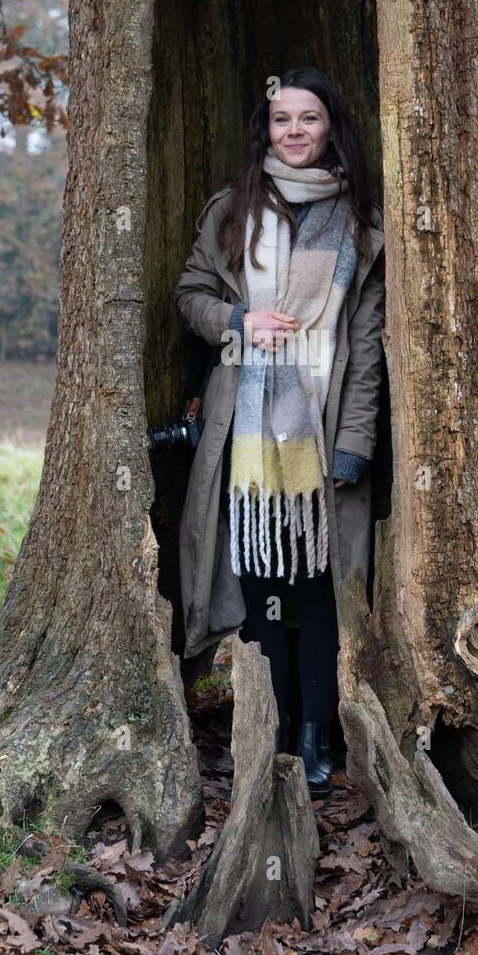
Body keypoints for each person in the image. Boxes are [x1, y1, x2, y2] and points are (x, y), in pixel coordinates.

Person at [174, 66, 385, 797]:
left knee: (319, 587)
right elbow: (190, 294)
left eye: (309, 119)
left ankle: (317, 733)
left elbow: (365, 352)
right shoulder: (232, 212)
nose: (293, 132)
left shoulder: (360, 228)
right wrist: (239, 321)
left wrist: (355, 445)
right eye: (281, 119)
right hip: (248, 434)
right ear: (266, 129)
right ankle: (270, 730)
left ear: (332, 129)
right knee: (261, 582)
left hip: (322, 435)